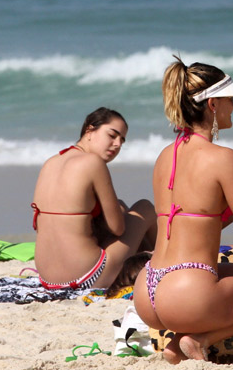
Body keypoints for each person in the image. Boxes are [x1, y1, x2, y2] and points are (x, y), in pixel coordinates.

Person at [132, 57, 233, 363]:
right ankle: (198, 339)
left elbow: (194, 221)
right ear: (213, 104)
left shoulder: (166, 155)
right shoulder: (224, 157)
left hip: (148, 288)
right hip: (187, 291)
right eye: (231, 99)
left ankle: (179, 344)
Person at [32, 107, 157, 290]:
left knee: (119, 207)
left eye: (122, 140)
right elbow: (118, 228)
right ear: (90, 130)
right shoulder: (93, 163)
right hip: (87, 277)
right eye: (112, 135)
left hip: (47, 280)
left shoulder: (51, 162)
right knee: (144, 208)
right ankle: (166, 262)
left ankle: (147, 261)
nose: (117, 144)